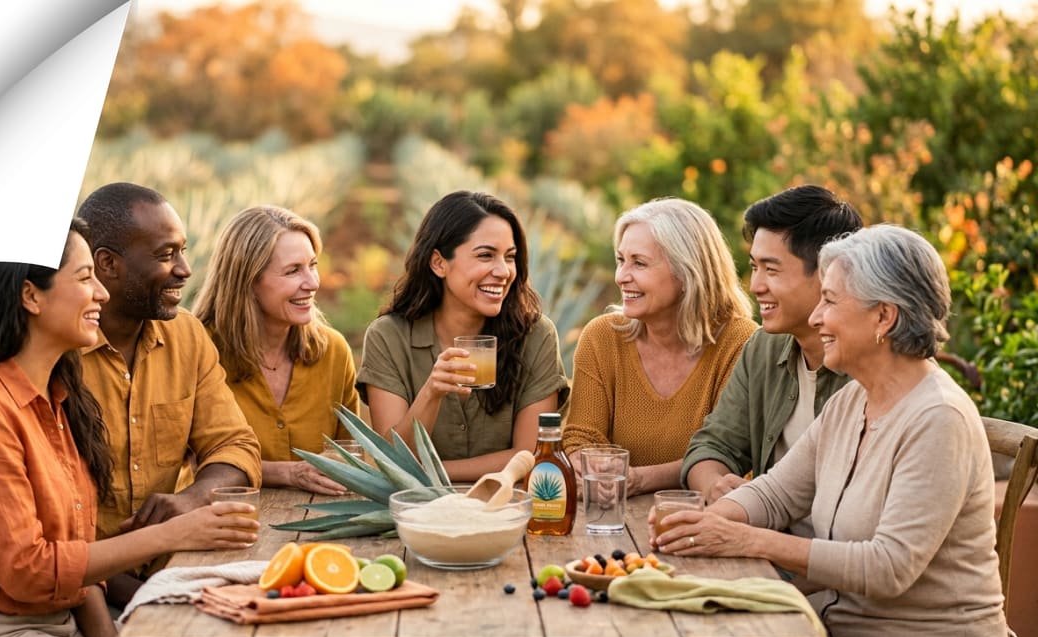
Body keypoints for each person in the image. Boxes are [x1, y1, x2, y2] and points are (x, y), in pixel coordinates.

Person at [0, 222, 257, 637]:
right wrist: (175, 533)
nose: (102, 294)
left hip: (47, 627)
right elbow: (29, 569)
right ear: (31, 296)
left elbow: (71, 545)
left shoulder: (57, 399)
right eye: (85, 278)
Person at [654, 225, 1009, 637]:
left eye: (830, 301)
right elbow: (776, 494)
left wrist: (747, 540)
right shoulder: (853, 399)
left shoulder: (939, 418)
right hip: (837, 636)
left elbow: (888, 567)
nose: (817, 317)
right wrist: (703, 523)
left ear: (884, 317)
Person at [76, 183, 262, 607]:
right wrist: (151, 599)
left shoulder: (186, 334)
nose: (184, 269)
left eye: (182, 250)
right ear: (106, 264)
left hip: (173, 569)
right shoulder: (57, 352)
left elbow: (235, 444)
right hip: (88, 588)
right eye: (165, 255)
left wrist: (192, 498)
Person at [357, 190, 569, 482]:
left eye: (510, 257)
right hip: (417, 512)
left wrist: (434, 473)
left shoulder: (536, 336)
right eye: (485, 255)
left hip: (506, 507)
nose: (503, 271)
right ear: (438, 263)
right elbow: (393, 457)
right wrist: (432, 392)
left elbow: (531, 454)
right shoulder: (388, 338)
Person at [681, 185, 862, 508]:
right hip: (760, 543)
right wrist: (717, 487)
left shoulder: (873, 366)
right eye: (754, 267)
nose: (755, 286)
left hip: (829, 554)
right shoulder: (764, 347)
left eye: (771, 270)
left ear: (827, 274)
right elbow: (712, 446)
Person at [563, 197, 756, 496]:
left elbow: (731, 452)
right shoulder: (602, 338)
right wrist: (591, 467)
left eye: (638, 263)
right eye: (620, 260)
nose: (621, 276)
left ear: (687, 272)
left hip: (703, 520)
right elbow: (581, 437)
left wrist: (640, 479)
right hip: (613, 517)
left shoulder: (741, 343)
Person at [194, 205, 358, 495]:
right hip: (229, 522)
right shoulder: (199, 351)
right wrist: (289, 473)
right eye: (293, 271)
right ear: (248, 280)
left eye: (313, 265)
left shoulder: (333, 352)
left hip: (317, 526)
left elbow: (350, 454)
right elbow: (190, 461)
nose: (313, 283)